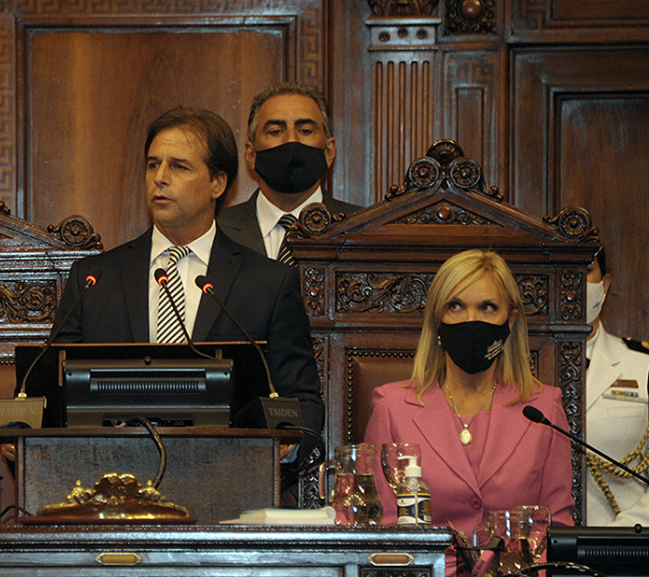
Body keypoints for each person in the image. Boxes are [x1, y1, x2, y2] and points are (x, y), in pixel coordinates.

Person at [52, 106, 324, 449]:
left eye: (178, 166)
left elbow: (301, 399)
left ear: (217, 183)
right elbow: (53, 391)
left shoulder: (268, 283)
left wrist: (283, 448)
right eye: (153, 165)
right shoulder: (93, 280)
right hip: (112, 474)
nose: (160, 177)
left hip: (227, 475)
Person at [364, 249, 574, 550]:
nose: (471, 320)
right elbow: (381, 529)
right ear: (438, 319)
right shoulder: (391, 407)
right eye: (456, 306)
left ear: (510, 321)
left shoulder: (543, 408)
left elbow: (557, 529)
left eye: (488, 307)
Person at [218, 82, 362, 262]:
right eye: (275, 131)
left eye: (305, 131)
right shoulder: (217, 228)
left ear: (329, 151)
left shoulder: (364, 228)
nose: (291, 141)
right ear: (251, 154)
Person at [584, 246, 649, 526]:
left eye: (586, 270)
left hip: (626, 544)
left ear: (605, 284)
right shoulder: (509, 371)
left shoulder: (642, 365)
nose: (574, 280)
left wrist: (619, 536)